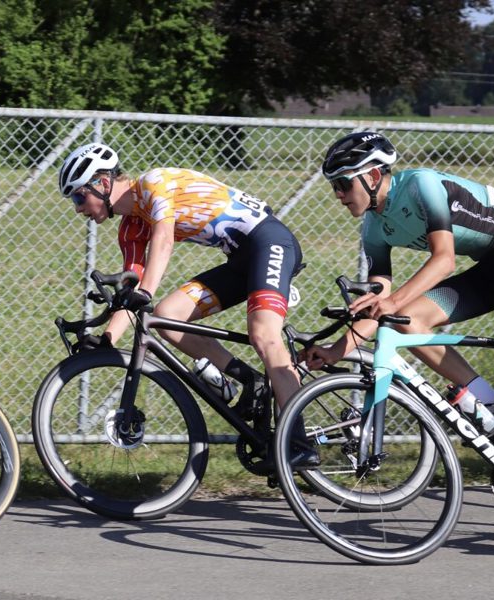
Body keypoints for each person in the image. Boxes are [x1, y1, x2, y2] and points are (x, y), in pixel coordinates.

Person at [305, 131, 494, 511]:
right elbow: (382, 306)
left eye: (343, 184)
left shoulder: (421, 185)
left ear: (372, 175)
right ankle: (490, 402)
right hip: (491, 268)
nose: (338, 194)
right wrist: (338, 349)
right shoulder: (373, 228)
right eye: (333, 186)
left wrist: (392, 300)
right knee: (404, 320)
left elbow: (444, 259)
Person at [57, 143, 317, 467]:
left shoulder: (153, 183)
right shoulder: (131, 227)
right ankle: (253, 380)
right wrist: (107, 339)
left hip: (269, 241)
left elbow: (164, 239)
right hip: (241, 260)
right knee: (167, 317)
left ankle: (300, 442)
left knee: (264, 336)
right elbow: (131, 288)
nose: (78, 209)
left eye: (79, 198)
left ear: (103, 183)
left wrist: (145, 292)